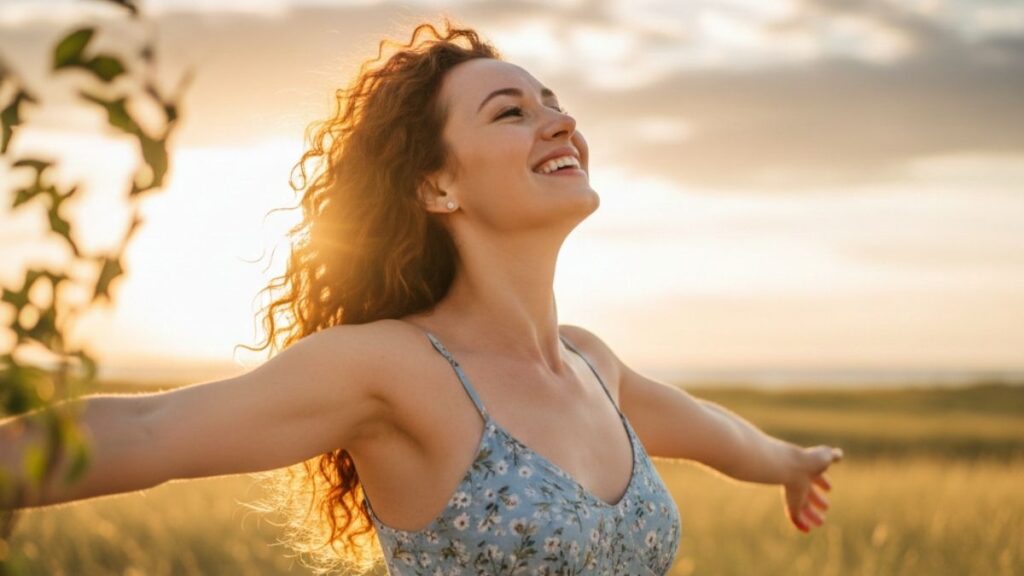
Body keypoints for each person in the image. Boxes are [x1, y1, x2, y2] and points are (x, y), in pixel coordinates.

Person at [0, 19, 843, 576]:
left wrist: (790, 464)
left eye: (554, 103)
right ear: (437, 186)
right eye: (511, 112)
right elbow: (150, 431)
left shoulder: (591, 364)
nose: (559, 121)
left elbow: (713, 431)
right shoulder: (397, 368)